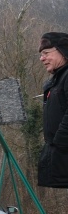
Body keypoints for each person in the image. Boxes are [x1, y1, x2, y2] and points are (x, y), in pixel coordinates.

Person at [38, 32, 68, 188]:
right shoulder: (58, 80)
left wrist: (59, 143)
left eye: (46, 53)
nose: (42, 58)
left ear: (63, 51)